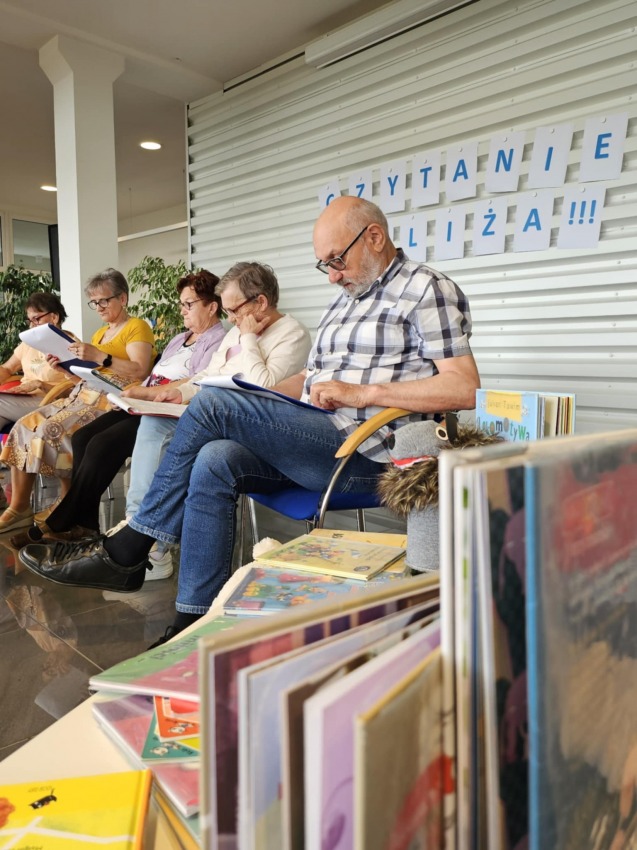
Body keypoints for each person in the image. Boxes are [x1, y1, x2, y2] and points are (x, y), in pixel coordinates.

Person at [19, 196, 480, 646]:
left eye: (337, 260)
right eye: (325, 264)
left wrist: (363, 394)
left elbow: (463, 387)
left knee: (214, 404)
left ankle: (132, 545)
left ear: (374, 237)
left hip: (368, 451)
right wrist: (258, 400)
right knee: (216, 457)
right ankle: (190, 623)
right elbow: (307, 380)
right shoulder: (345, 300)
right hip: (316, 434)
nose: (333, 275)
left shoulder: (425, 289)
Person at [18, 262, 312, 582]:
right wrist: (177, 393)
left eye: (234, 310)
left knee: (146, 432)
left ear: (261, 302)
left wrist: (250, 338)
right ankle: (137, 531)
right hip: (208, 411)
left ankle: (143, 542)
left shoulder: (291, 334)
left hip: (245, 425)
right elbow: (206, 375)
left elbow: (263, 387)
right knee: (151, 422)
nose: (231, 319)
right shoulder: (234, 333)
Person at [10, 270, 227, 580]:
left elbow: (194, 382)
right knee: (83, 437)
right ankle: (84, 524)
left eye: (188, 304)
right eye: (181, 304)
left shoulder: (217, 340)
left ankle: (61, 521)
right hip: (140, 399)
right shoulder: (180, 339)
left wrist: (140, 390)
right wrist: (85, 375)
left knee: (102, 444)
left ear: (212, 306)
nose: (181, 311)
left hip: (165, 408)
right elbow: (150, 375)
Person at [0, 268, 155, 534]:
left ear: (123, 298)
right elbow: (89, 375)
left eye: (104, 300)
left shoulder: (136, 327)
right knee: (23, 426)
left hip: (108, 400)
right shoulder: (100, 334)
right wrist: (65, 370)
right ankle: (19, 507)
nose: (99, 307)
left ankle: (66, 505)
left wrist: (100, 357)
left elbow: (140, 371)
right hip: (82, 393)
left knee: (51, 430)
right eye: (94, 302)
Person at [0, 292, 74, 510]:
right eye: (29, 320)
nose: (32, 325)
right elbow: (7, 368)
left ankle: (15, 505)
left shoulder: (68, 344)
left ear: (54, 317)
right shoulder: (29, 343)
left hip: (51, 401)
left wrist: (41, 385)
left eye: (37, 318)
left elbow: (75, 387)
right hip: (24, 400)